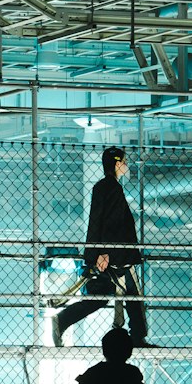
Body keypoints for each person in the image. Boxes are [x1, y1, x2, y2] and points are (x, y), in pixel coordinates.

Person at [54, 146, 147, 346]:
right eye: (124, 162)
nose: (126, 165)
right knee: (133, 295)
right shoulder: (114, 188)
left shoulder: (101, 187)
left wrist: (97, 251)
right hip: (118, 255)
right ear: (117, 163)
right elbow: (112, 221)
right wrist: (105, 251)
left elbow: (97, 221)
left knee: (101, 296)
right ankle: (138, 336)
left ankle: (63, 319)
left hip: (105, 254)